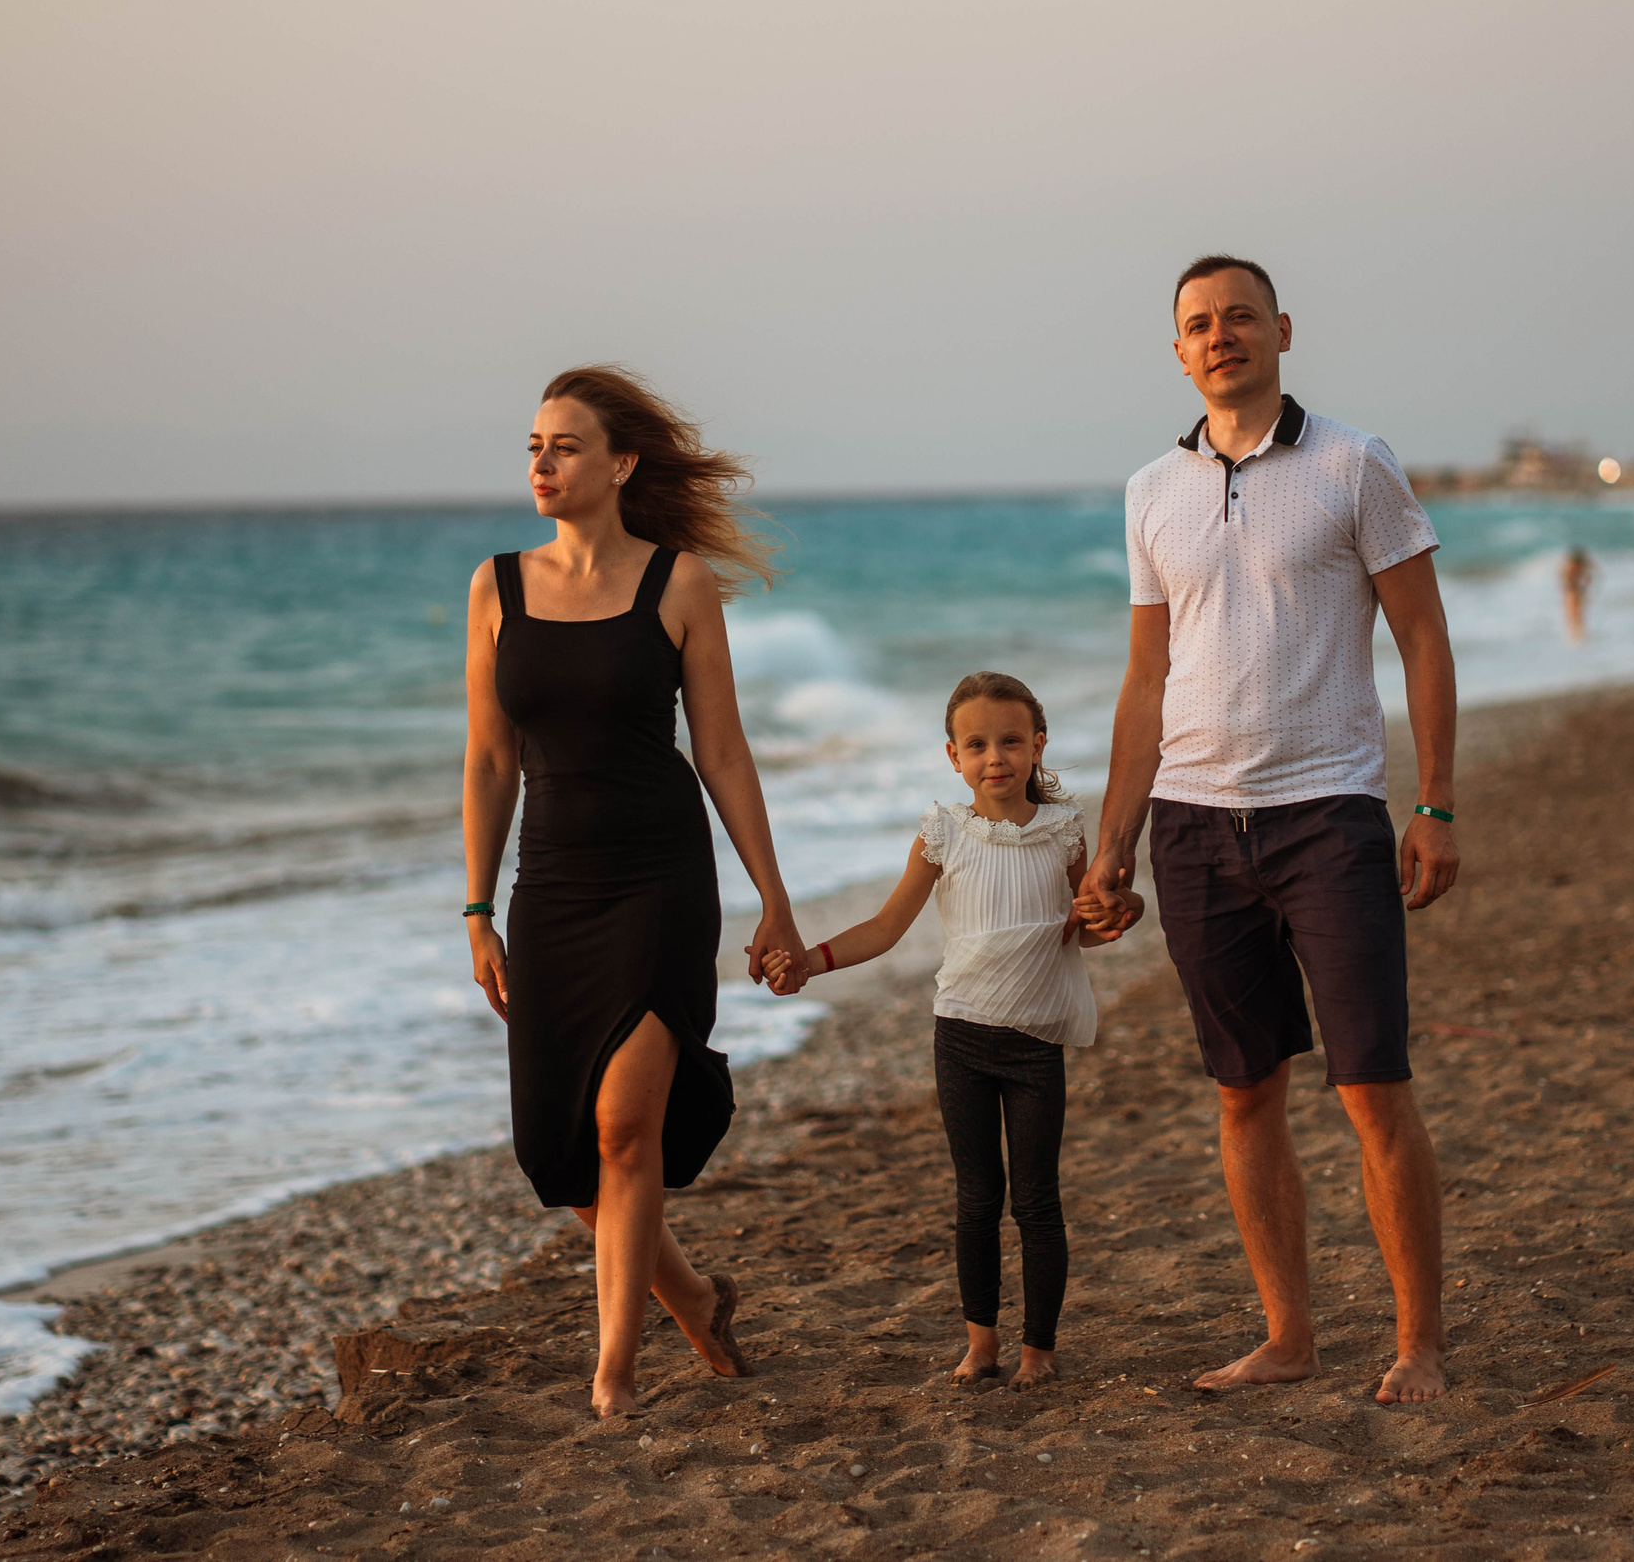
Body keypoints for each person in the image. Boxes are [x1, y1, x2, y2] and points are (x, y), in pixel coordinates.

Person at [1076, 254, 1461, 1406]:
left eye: (1239, 316)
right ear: (1178, 348)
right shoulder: (1151, 489)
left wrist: (1433, 803)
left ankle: (1418, 1347)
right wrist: (1111, 845)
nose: (1220, 335)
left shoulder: (1353, 464)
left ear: (1281, 330)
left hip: (1328, 814)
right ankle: (1286, 1337)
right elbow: (1146, 679)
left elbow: (1424, 639)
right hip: (1193, 827)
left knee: (1369, 1087)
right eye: (1198, 323)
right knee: (1244, 1091)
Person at [462, 365, 806, 1418]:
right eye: (533, 446)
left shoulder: (678, 584)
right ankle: (696, 1298)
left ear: (618, 465)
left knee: (624, 1130)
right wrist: (476, 908)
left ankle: (612, 1376)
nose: (541, 463)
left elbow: (725, 755)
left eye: (563, 447)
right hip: (551, 887)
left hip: (659, 878)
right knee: (558, 1155)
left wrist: (774, 900)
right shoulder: (496, 587)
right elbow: (487, 763)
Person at [768, 672, 1132, 1390]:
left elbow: (1088, 929)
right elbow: (886, 924)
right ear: (952, 755)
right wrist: (811, 961)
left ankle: (1039, 1349)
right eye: (976, 744)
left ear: (1038, 745)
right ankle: (981, 1344)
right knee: (976, 1195)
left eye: (1009, 741)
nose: (994, 756)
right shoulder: (942, 833)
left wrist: (1122, 911)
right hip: (960, 1034)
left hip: (1035, 1040)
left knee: (1035, 1199)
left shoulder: (1064, 832)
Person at [1559, 546, 1594, 644]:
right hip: (1575, 591)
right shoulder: (1574, 567)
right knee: (1576, 614)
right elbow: (1588, 578)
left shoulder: (1570, 567)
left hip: (1573, 591)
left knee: (1574, 614)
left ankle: (1575, 636)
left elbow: (1565, 580)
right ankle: (1577, 636)